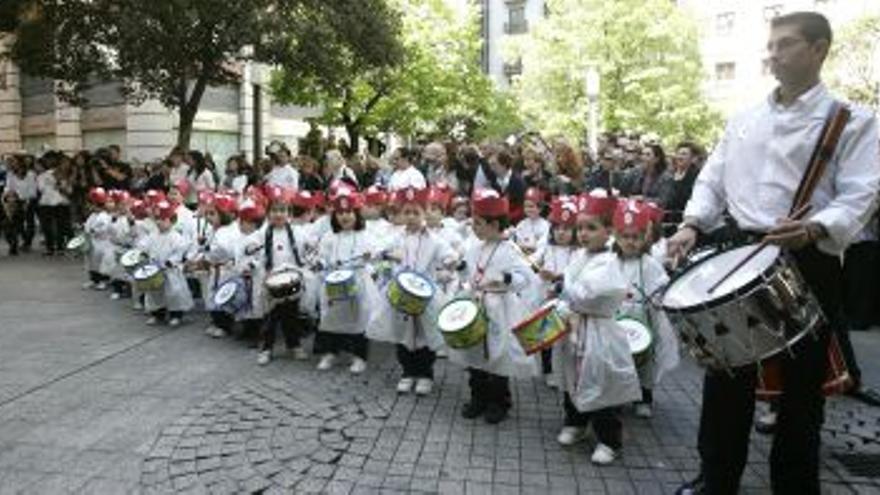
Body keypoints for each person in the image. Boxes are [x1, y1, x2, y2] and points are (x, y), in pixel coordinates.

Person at [667, 12, 880, 495]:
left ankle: (796, 485)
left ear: (819, 49)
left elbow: (861, 193)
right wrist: (691, 225)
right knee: (725, 377)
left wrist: (815, 227)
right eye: (771, 43)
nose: (773, 53)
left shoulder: (853, 121)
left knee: (801, 391)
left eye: (786, 44)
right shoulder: (745, 119)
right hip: (741, 249)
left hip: (809, 257)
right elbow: (712, 179)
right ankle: (716, 479)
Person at [552, 191, 640, 465]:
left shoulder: (610, 261)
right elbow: (572, 285)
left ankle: (609, 439)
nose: (583, 234)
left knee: (599, 381)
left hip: (598, 331)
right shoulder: (581, 256)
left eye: (591, 228)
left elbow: (588, 292)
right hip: (575, 326)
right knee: (572, 377)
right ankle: (576, 422)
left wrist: (564, 290)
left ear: (609, 231)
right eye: (580, 227)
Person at [448, 188, 541, 424]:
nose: (474, 228)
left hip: (500, 308)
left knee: (498, 355)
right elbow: (469, 273)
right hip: (477, 303)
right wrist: (460, 269)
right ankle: (478, 397)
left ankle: (499, 401)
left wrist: (507, 279)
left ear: (494, 224)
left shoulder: (511, 249)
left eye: (478, 223)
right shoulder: (474, 247)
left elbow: (526, 278)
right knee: (475, 353)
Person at [367, 186, 458, 396]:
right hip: (401, 291)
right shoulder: (398, 236)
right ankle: (408, 372)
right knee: (403, 334)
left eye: (416, 212)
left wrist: (450, 260)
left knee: (426, 334)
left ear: (424, 213)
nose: (410, 217)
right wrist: (380, 253)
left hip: (426, 293)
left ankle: (425, 374)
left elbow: (448, 253)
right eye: (406, 212)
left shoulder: (434, 239)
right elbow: (379, 248)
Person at [611, 199, 679, 418]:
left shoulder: (649, 263)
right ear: (617, 237)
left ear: (644, 238)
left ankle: (644, 397)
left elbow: (661, 286)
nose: (630, 242)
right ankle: (619, 395)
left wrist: (658, 298)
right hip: (617, 317)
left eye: (636, 237)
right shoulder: (611, 261)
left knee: (644, 360)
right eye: (625, 237)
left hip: (643, 317)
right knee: (619, 358)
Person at [314, 187, 380, 374]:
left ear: (357, 214)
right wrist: (320, 263)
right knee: (331, 317)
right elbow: (322, 256)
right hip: (334, 282)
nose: (345, 216)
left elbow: (374, 253)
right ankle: (330, 352)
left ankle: (359, 356)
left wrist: (370, 255)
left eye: (349, 212)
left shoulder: (364, 235)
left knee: (359, 318)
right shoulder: (329, 237)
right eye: (340, 212)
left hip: (357, 282)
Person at [256, 187, 320, 365]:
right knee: (270, 316)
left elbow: (310, 248)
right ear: (268, 213)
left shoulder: (297, 232)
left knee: (291, 315)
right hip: (270, 280)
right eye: (274, 210)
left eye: (282, 210)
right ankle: (266, 348)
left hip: (291, 279)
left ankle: (294, 345)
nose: (278, 214)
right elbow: (253, 250)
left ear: (289, 213)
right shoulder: (263, 233)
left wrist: (312, 257)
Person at [139, 200, 194, 327]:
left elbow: (179, 251)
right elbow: (145, 245)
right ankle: (158, 314)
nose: (159, 222)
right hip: (155, 270)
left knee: (174, 293)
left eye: (163, 219)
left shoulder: (175, 237)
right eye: (157, 219)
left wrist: (171, 261)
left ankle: (176, 314)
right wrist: (143, 253)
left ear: (172, 220)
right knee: (155, 294)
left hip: (170, 271)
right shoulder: (153, 235)